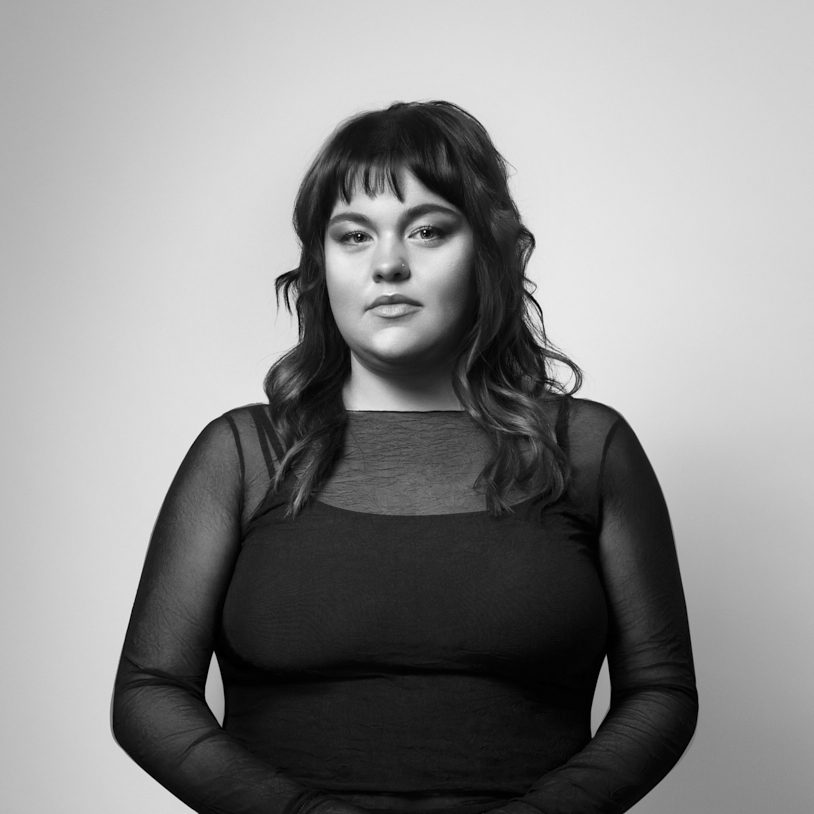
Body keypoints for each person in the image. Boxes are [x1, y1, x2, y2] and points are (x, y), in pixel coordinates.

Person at [112, 100, 698, 814]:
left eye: (427, 230)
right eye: (354, 235)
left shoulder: (589, 449)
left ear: (489, 251)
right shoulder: (241, 455)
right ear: (320, 266)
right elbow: (149, 692)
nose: (388, 264)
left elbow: (661, 691)